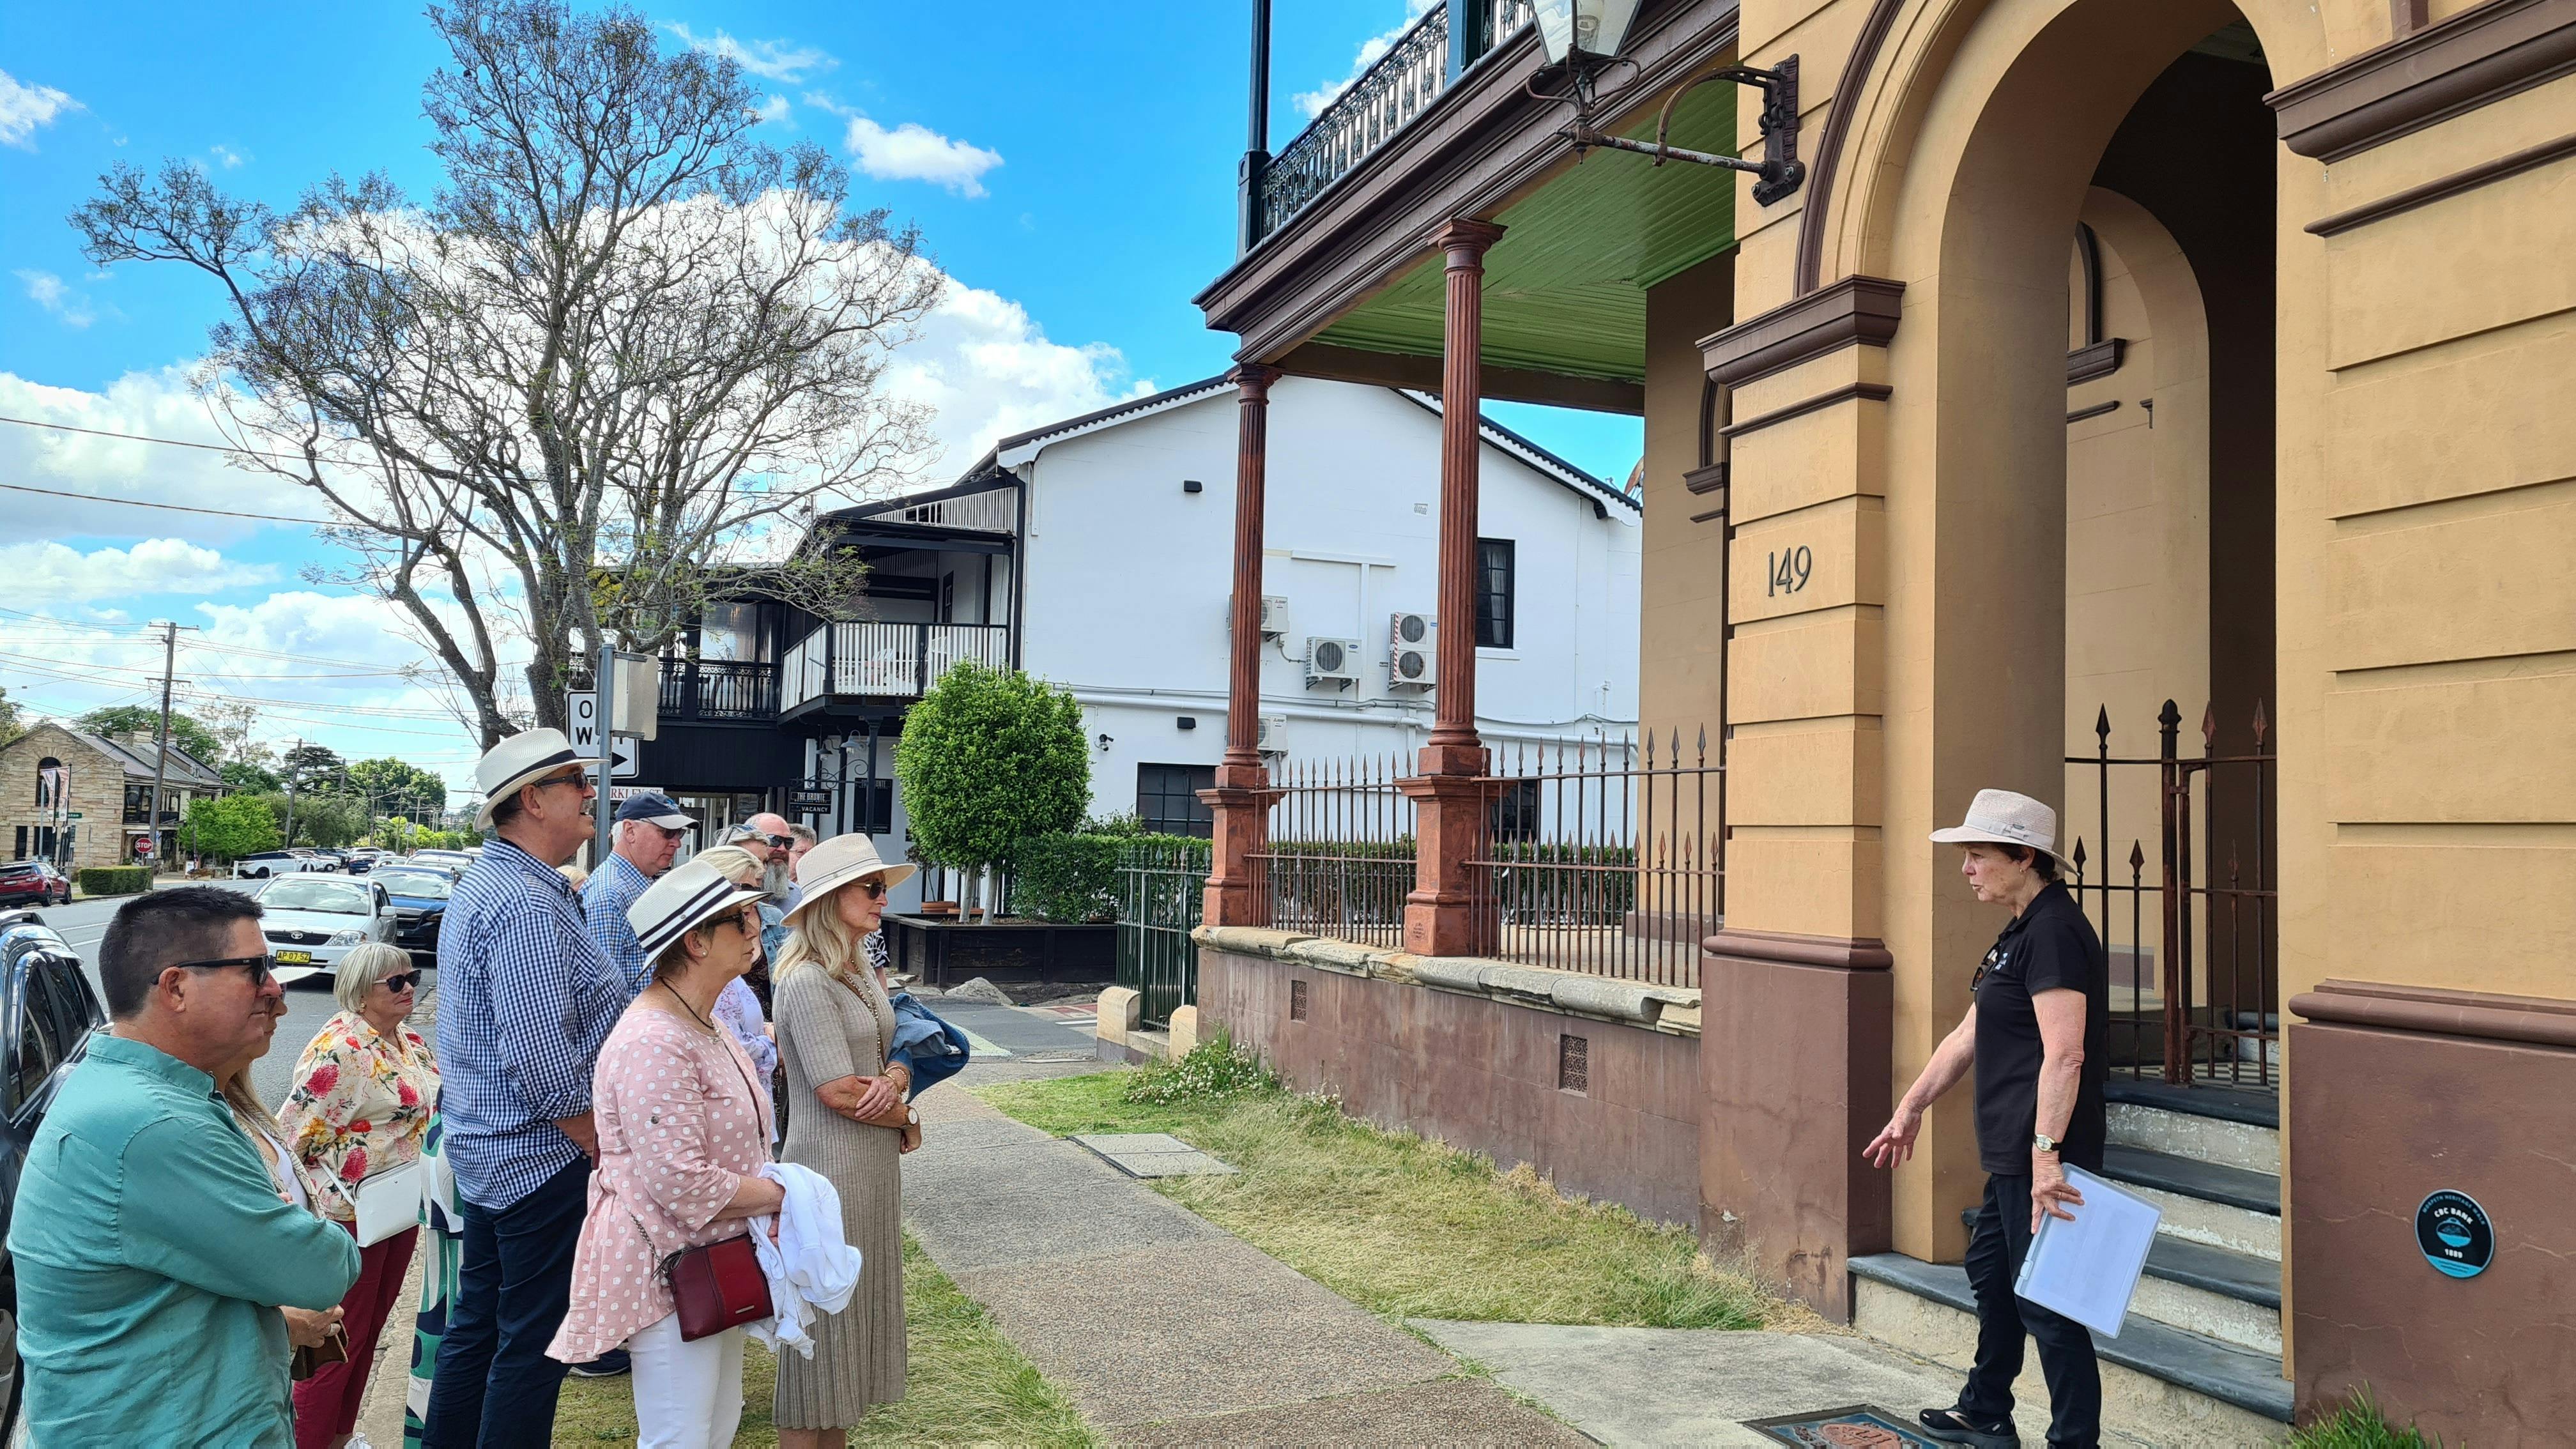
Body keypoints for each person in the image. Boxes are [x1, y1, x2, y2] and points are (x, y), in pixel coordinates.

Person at [8, 887, 362, 1447]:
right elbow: (323, 1271)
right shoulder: (155, 1124)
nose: (276, 990)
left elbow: (157, 1300)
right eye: (255, 969)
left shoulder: (133, 1092)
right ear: (175, 987)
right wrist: (300, 1238)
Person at [1866, 789, 2111, 1449]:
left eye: (1978, 855)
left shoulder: (2055, 934)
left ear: (2024, 857)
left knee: (2048, 1304)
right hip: (2013, 1150)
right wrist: (1911, 1107)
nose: (1967, 869)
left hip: (2043, 1152)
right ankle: (1985, 1410)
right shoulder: (2022, 931)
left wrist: (2046, 1156)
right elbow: (1968, 1035)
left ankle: (2074, 1440)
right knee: (1993, 1277)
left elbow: (2066, 1054)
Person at [426, 730, 629, 1445]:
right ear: (535, 800)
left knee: (482, 1326)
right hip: (538, 1157)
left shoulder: (507, 884)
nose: (591, 793)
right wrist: (599, 1145)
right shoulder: (525, 904)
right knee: (533, 1344)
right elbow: (544, 1063)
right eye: (576, 781)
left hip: (498, 1150)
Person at [548, 857, 785, 1448]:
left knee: (717, 1424)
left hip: (711, 1258)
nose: (755, 928)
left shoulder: (701, 1021)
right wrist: (786, 1194)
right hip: (667, 1265)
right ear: (697, 942)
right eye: (739, 918)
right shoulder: (656, 1038)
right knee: (681, 1435)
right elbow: (680, 1181)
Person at [771, 834, 923, 1445]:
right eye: (872, 887)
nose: (884, 898)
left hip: (867, 1166)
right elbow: (838, 1091)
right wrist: (908, 1118)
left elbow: (888, 1049)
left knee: (850, 1322)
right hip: (832, 1169)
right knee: (822, 1334)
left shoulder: (856, 966)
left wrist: (896, 1078)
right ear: (831, 898)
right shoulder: (807, 979)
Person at [281, 940, 443, 1449]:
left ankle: (342, 1437)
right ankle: (308, 1440)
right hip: (347, 1213)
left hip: (397, 1204)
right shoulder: (342, 1049)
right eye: (395, 982)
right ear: (360, 991)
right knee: (335, 1338)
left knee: (370, 1329)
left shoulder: (406, 1039)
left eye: (412, 977)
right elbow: (292, 1136)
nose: (409, 987)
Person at [586, 792, 694, 997]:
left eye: (679, 833)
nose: (677, 843)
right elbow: (602, 993)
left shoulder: (631, 886)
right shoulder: (609, 894)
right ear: (630, 831)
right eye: (667, 832)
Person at [693, 845, 781, 1082]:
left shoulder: (726, 968)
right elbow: (730, 1047)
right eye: (741, 916)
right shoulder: (709, 971)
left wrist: (765, 1032)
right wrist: (773, 1042)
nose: (751, 931)